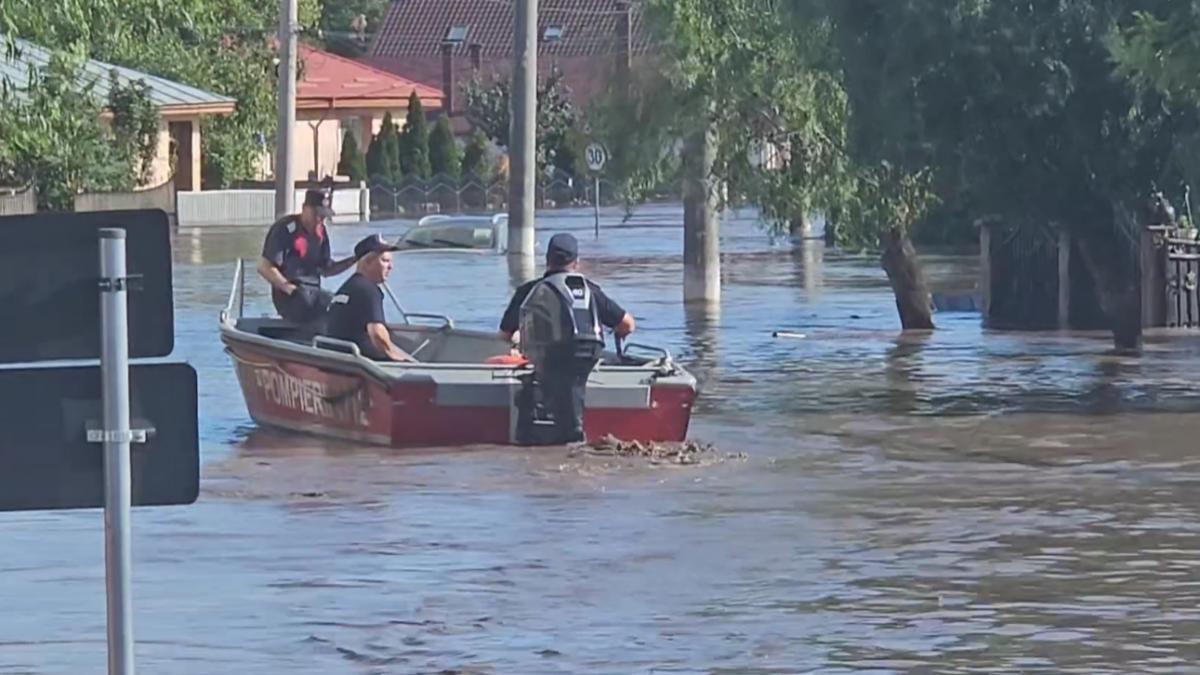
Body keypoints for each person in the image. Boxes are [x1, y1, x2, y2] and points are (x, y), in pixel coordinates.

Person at [500, 233, 635, 444]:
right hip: (585, 363)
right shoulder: (590, 290)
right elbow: (627, 324)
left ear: (547, 260)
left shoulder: (528, 291)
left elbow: (505, 334)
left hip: (549, 363)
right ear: (577, 263)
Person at [256, 189, 357, 325]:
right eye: (317, 214)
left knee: (341, 303)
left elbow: (327, 269)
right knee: (320, 300)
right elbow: (264, 267)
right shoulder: (285, 229)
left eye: (323, 216)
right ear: (305, 209)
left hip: (313, 293)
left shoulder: (321, 233)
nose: (320, 219)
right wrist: (289, 289)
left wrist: (354, 260)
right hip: (290, 297)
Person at [326, 234, 414, 362]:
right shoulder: (368, 290)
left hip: (337, 359)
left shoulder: (348, 287)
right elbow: (377, 334)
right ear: (367, 262)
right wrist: (398, 358)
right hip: (359, 363)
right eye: (385, 261)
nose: (391, 267)